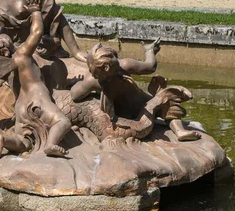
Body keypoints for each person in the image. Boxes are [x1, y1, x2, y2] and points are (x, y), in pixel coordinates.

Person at [0, 0, 71, 160]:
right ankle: (50, 144)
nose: (0, 36)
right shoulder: (21, 54)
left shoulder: (6, 66)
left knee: (25, 142)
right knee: (63, 122)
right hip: (38, 99)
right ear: (6, 47)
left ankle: (3, 139)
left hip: (21, 108)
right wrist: (35, 12)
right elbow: (37, 32)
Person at [70, 41, 201, 141]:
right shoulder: (118, 68)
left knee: (164, 102)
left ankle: (179, 132)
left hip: (131, 110)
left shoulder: (97, 79)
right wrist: (150, 52)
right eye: (114, 57)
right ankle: (178, 130)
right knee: (166, 101)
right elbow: (151, 66)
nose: (117, 58)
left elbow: (75, 95)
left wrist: (80, 83)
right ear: (106, 66)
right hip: (134, 110)